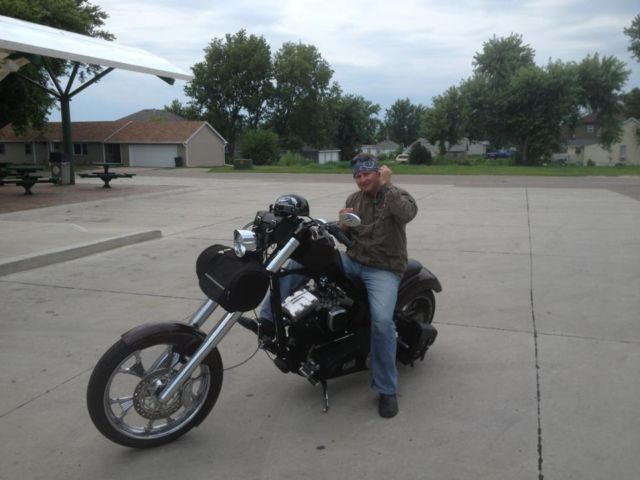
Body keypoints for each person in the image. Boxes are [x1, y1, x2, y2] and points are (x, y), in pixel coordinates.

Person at [239, 153, 418, 418]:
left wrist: (388, 185)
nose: (362, 180)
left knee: (382, 322)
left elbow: (408, 214)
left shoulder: (396, 194)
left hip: (384, 268)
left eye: (367, 174)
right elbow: (347, 234)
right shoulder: (354, 199)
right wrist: (340, 225)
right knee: (299, 264)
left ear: (378, 173)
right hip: (354, 261)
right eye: (358, 176)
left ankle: (386, 389)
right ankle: (266, 321)